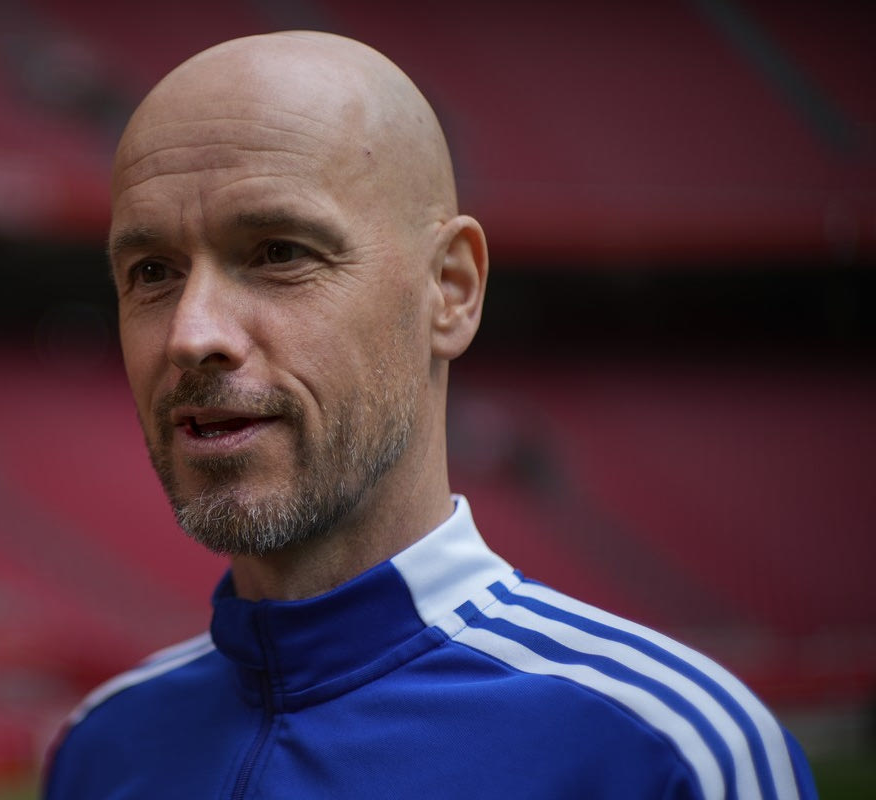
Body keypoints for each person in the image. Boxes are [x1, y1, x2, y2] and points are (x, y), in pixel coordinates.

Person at [44, 31, 817, 799]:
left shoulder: (665, 756)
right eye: (151, 271)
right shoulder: (101, 752)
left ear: (450, 289)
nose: (191, 334)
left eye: (279, 252)